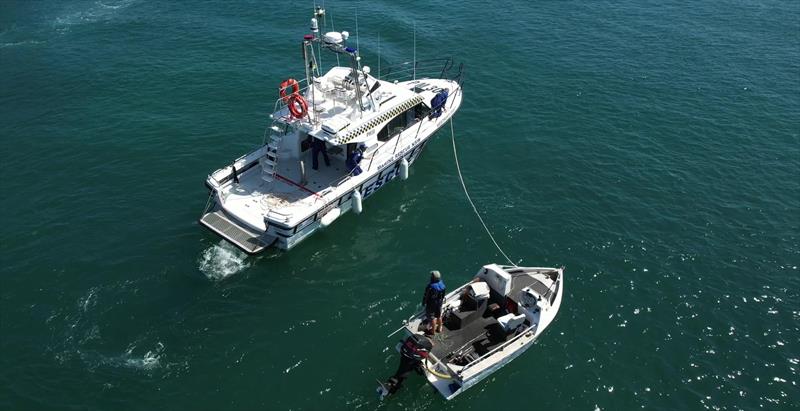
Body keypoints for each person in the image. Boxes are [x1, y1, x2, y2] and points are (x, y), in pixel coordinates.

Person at [422, 270, 446, 334]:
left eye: (431, 276)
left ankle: (433, 331)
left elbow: (426, 296)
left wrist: (424, 303)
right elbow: (443, 295)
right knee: (438, 315)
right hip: (439, 302)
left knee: (432, 317)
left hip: (432, 304)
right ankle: (440, 327)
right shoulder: (442, 284)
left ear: (433, 278)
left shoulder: (430, 286)